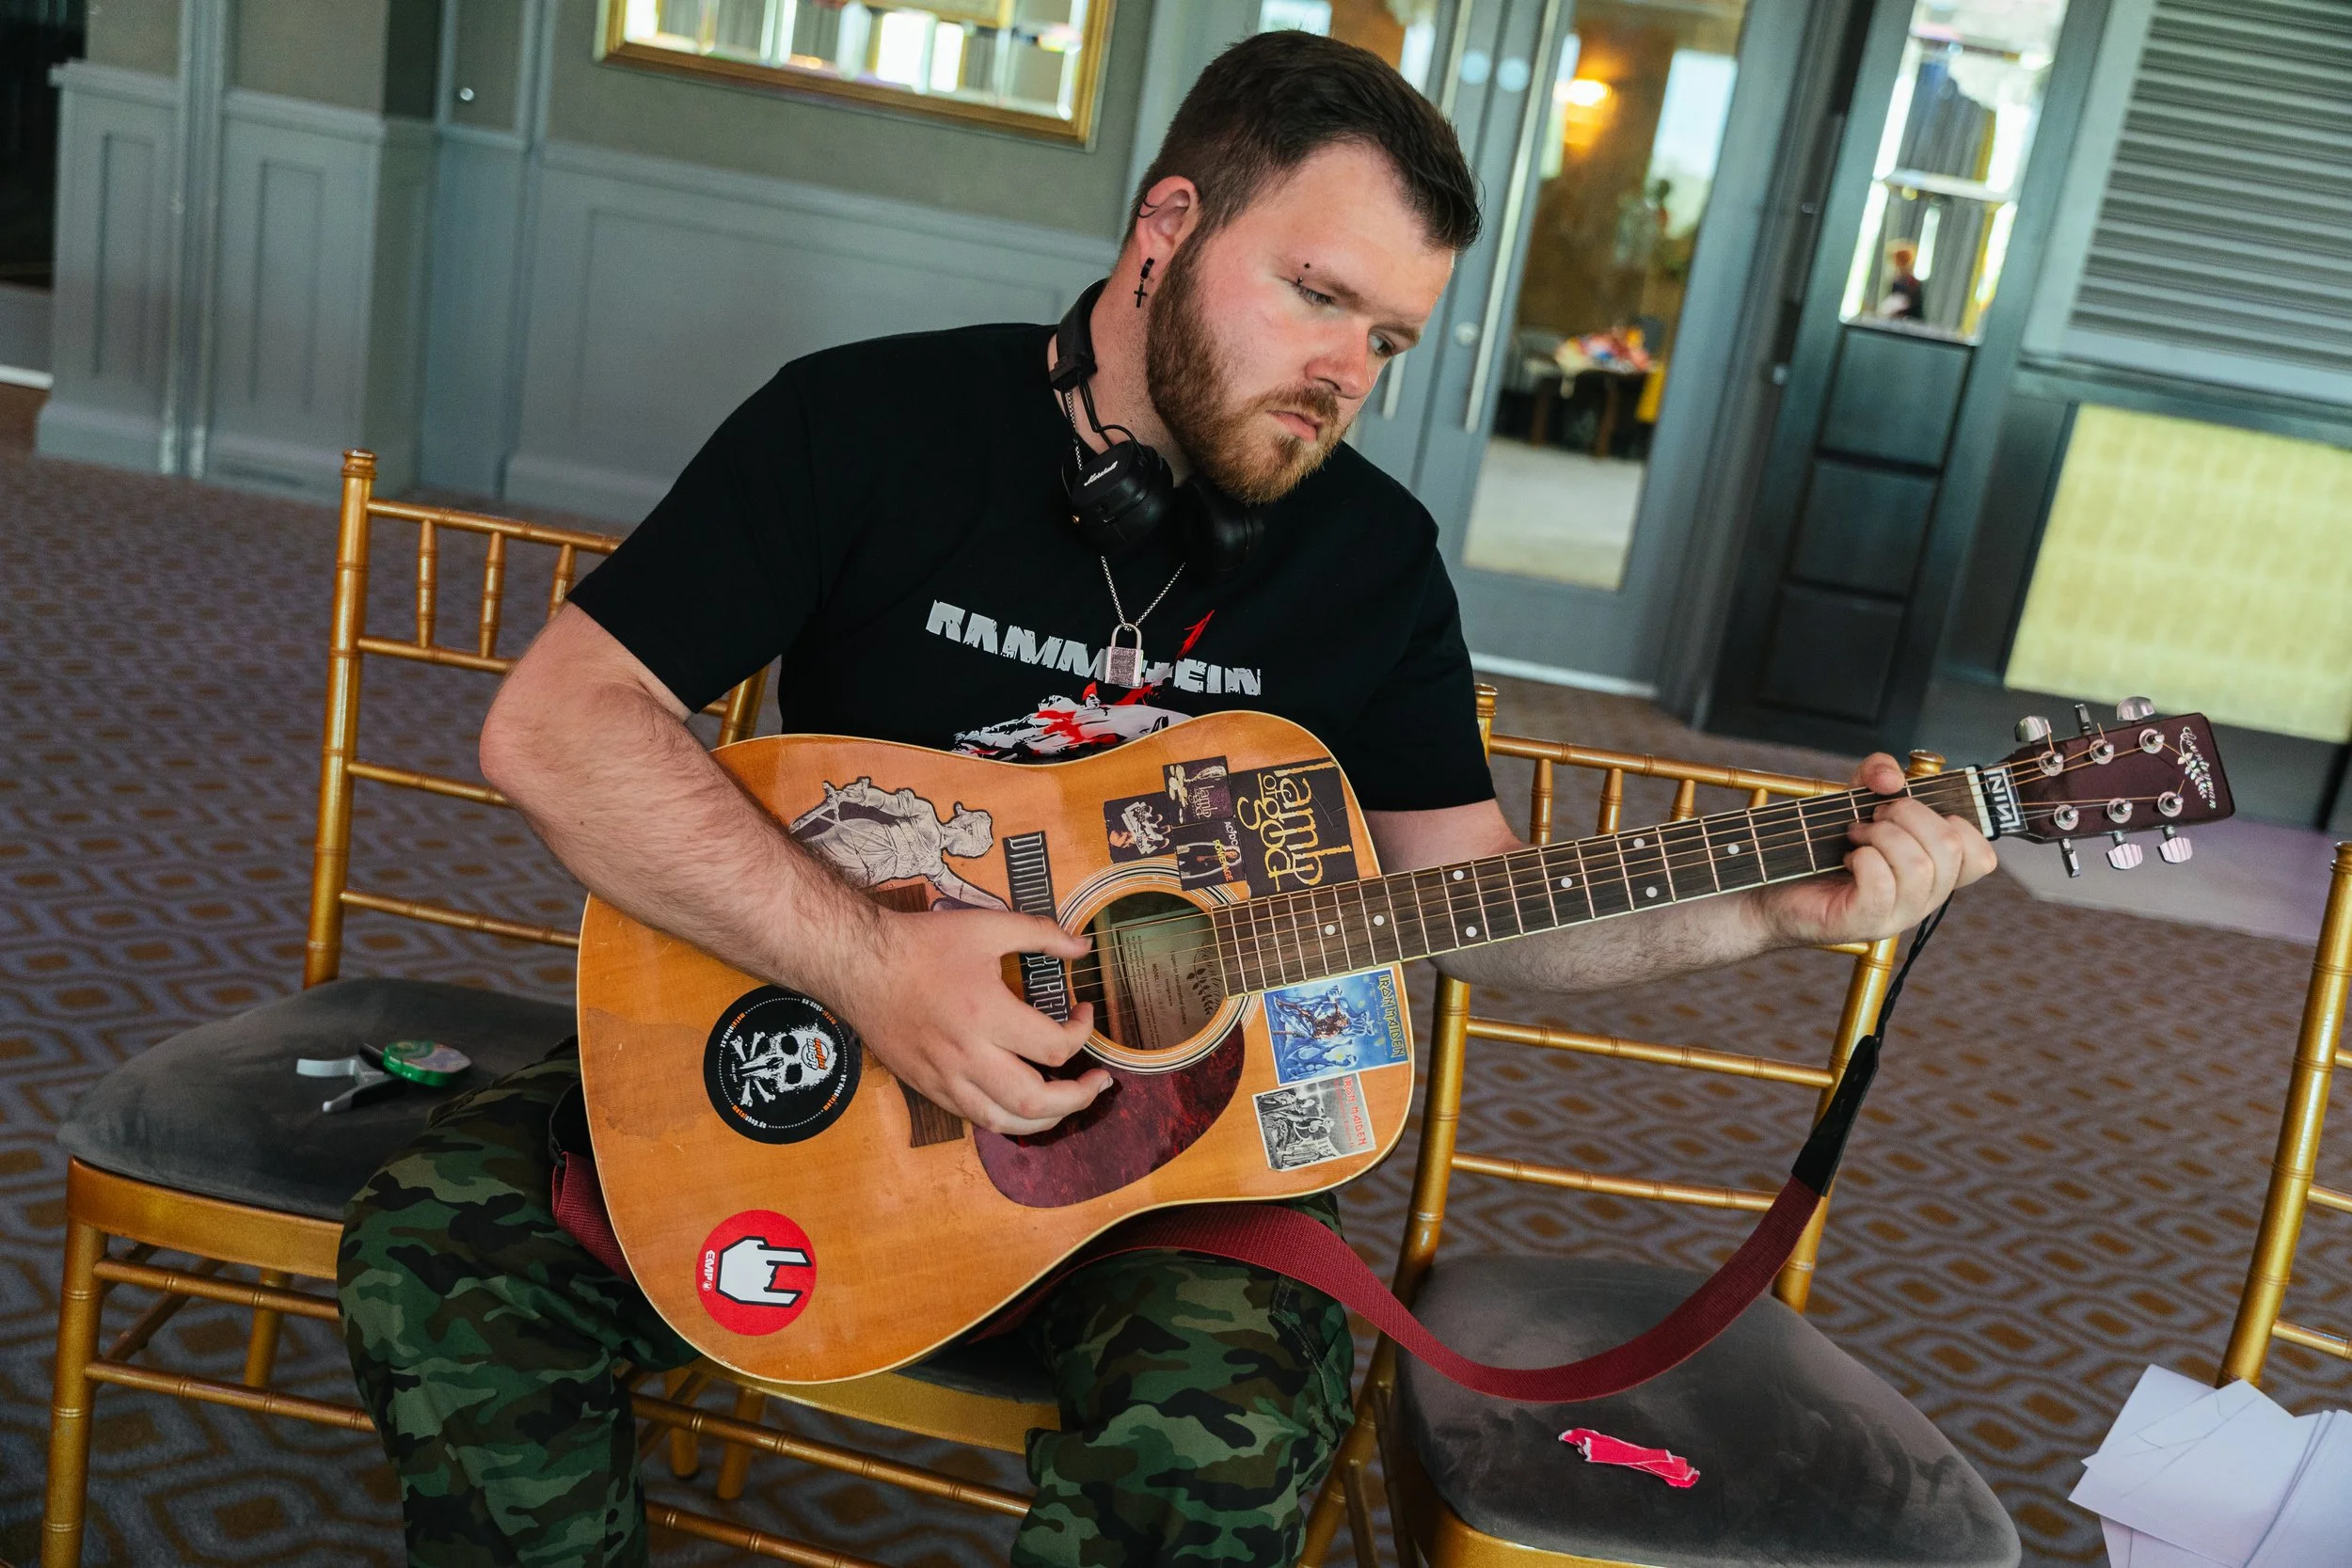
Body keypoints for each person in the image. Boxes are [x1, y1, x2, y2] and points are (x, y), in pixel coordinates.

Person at [338, 30, 1996, 1568]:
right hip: (824, 1059)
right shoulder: (865, 424)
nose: (1348, 372)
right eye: (1317, 296)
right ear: (1167, 226)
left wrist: (1775, 905)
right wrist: (877, 969)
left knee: (1220, 1447)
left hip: (1177, 1171)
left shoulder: (1376, 565)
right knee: (441, 1256)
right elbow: (558, 729)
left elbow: (1483, 908)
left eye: (1390, 339)